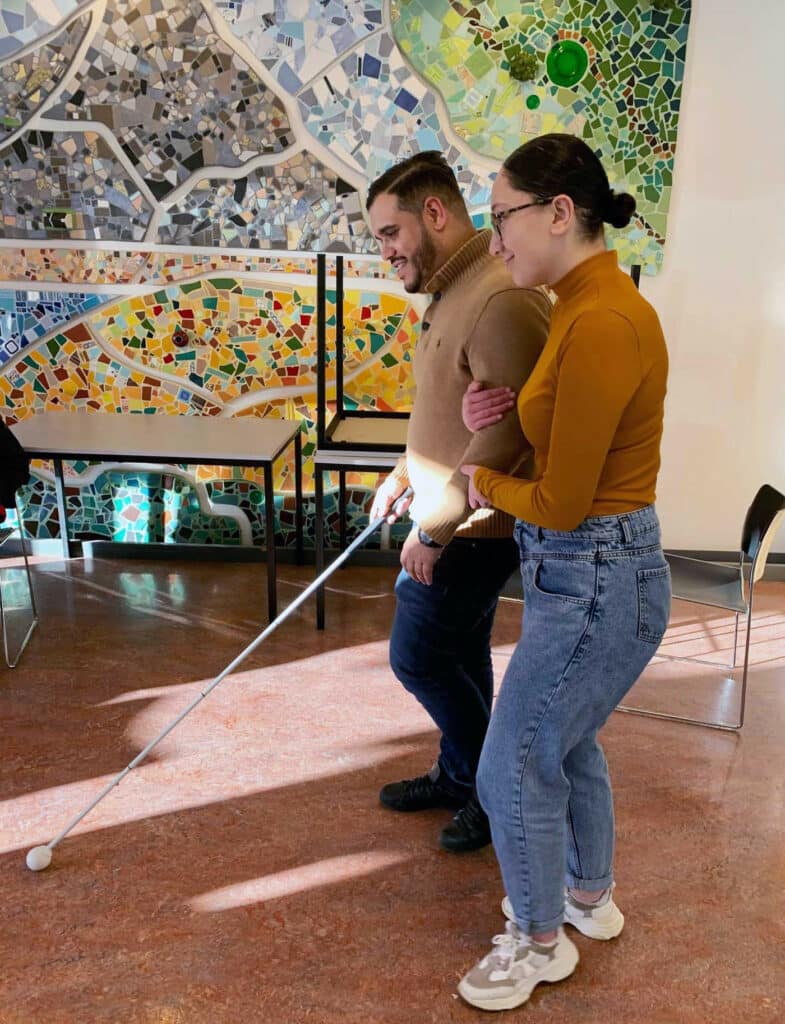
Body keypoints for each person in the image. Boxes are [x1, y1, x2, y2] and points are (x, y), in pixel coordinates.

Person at [455, 133, 671, 1010]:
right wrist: (500, 412)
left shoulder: (599, 320)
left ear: (556, 212)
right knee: (562, 744)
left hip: (592, 574)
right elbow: (566, 435)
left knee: (509, 764)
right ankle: (586, 897)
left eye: (501, 217)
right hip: (596, 573)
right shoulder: (581, 305)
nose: (494, 239)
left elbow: (561, 501)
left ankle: (537, 942)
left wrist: (482, 482)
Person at [365, 152, 551, 852]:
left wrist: (434, 528)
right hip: (450, 516)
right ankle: (461, 774)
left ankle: (490, 790)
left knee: (418, 657)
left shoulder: (499, 298)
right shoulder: (455, 290)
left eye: (390, 233)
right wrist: (403, 473)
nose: (385, 251)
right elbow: (448, 409)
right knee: (462, 652)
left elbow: (511, 432)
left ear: (435, 213)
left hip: (474, 528)